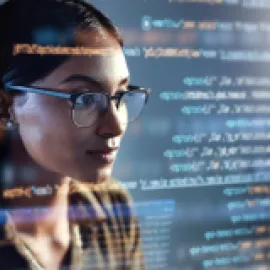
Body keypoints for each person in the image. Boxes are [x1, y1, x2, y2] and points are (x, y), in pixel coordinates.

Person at [0, 0, 150, 269]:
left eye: (120, 96)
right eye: (84, 99)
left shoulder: (112, 206)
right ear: (7, 106)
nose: (115, 126)